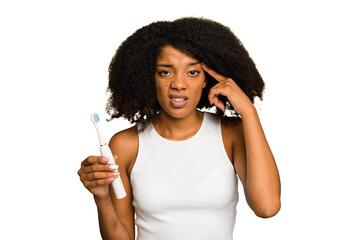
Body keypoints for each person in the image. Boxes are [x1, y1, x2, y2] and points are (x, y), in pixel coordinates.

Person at [78, 17, 281, 240]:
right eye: (166, 72)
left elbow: (267, 207)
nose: (179, 84)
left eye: (192, 72)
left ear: (207, 79)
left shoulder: (231, 134)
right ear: (149, 77)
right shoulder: (126, 145)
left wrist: (248, 111)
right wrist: (102, 198)